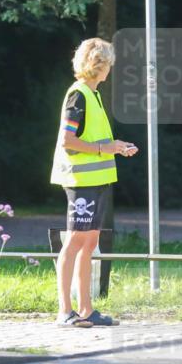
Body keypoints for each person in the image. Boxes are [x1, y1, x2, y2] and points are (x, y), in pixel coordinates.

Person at [51, 38, 138, 328]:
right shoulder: (78, 95)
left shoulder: (93, 94)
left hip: (96, 180)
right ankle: (65, 311)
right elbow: (69, 141)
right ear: (98, 65)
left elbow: (94, 139)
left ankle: (86, 310)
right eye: (108, 63)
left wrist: (116, 146)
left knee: (90, 243)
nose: (110, 69)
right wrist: (106, 148)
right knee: (76, 241)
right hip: (80, 181)